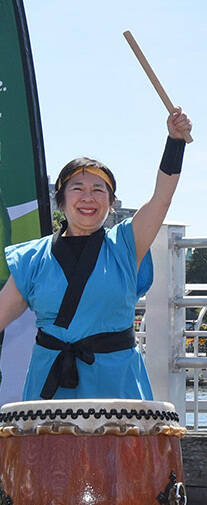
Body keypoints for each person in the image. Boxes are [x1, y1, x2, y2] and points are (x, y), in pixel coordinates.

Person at [0, 107, 192, 400]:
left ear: (111, 203)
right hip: (49, 390)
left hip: (117, 386)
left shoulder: (127, 245)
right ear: (61, 201)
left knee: (120, 449)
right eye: (77, 188)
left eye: (99, 190)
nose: (88, 197)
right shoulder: (31, 258)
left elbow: (161, 199)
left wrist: (175, 142)